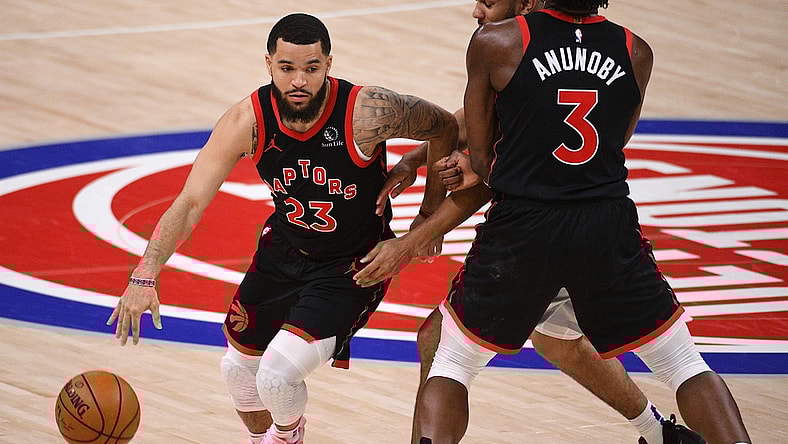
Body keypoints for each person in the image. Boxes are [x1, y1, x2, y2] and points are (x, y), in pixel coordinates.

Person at [356, 1, 752, 443]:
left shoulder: (498, 44)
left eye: (487, 1)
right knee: (681, 362)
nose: (476, 11)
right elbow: (612, 144)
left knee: (451, 358)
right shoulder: (636, 49)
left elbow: (488, 161)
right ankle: (665, 432)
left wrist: (478, 173)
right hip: (604, 223)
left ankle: (655, 430)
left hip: (525, 228)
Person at [106, 13, 457, 444]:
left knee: (277, 375)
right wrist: (145, 272)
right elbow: (191, 201)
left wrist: (428, 213)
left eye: (311, 68)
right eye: (287, 68)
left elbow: (445, 126)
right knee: (238, 371)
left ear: (329, 64)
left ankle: (288, 436)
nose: (298, 81)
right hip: (283, 251)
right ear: (268, 64)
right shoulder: (247, 121)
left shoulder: (368, 111)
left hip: (352, 267)